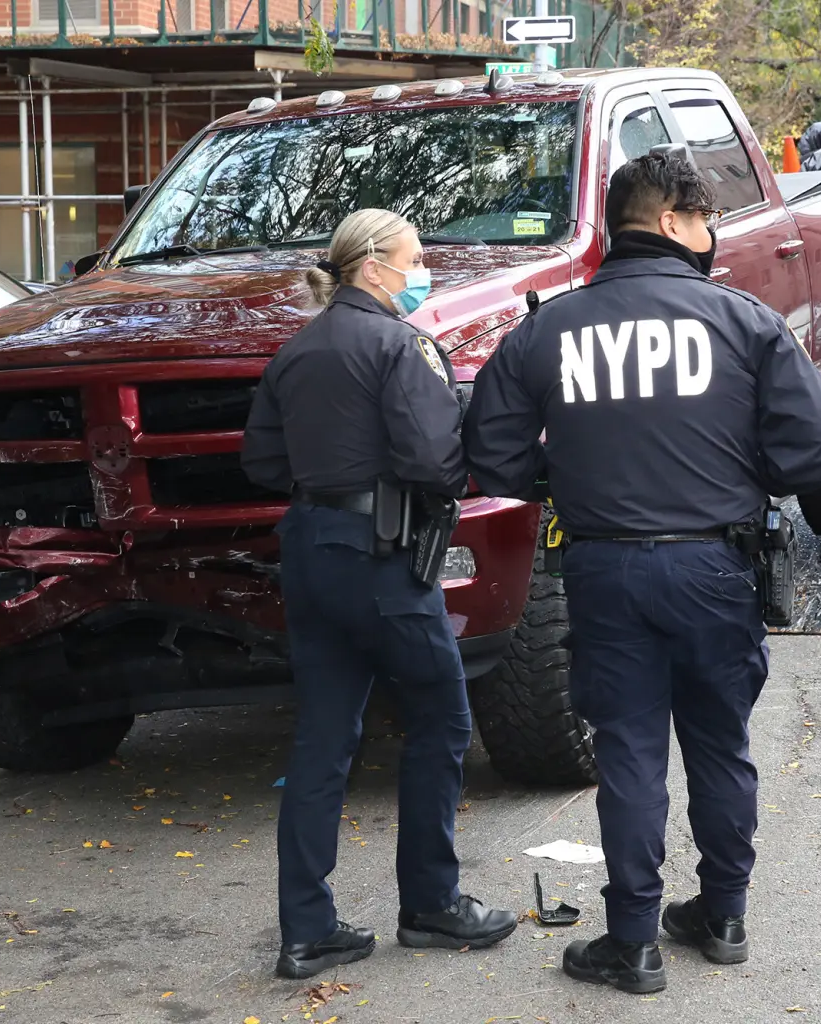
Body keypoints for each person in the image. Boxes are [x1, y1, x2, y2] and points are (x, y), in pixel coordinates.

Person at [461, 152, 821, 994]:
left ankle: (632, 941)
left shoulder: (550, 327)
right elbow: (816, 450)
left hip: (602, 569)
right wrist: (741, 474)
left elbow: (489, 453)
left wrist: (563, 480)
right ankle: (724, 914)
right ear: (672, 219)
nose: (711, 237)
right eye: (706, 219)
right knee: (719, 744)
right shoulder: (741, 322)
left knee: (630, 752)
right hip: (716, 564)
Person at [241, 208, 517, 981]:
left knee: (324, 738)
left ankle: (307, 930)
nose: (423, 269)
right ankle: (431, 904)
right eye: (415, 257)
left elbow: (261, 463)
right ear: (372, 267)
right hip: (383, 559)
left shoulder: (295, 352)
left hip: (312, 554)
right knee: (441, 718)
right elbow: (434, 464)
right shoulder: (402, 345)